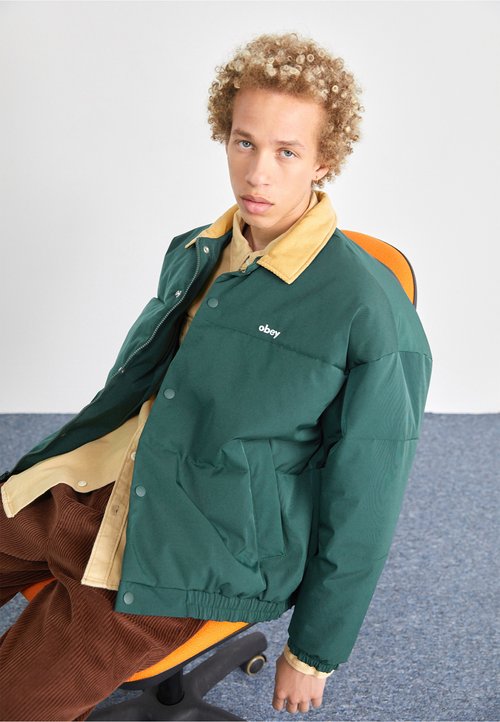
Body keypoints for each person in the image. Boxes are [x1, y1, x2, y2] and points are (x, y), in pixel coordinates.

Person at [0, 31, 433, 720]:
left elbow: (367, 503)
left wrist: (313, 653)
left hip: (192, 550)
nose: (258, 174)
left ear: (324, 160)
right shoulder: (199, 249)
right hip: (95, 484)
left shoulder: (371, 315)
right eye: (243, 142)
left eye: (287, 152)